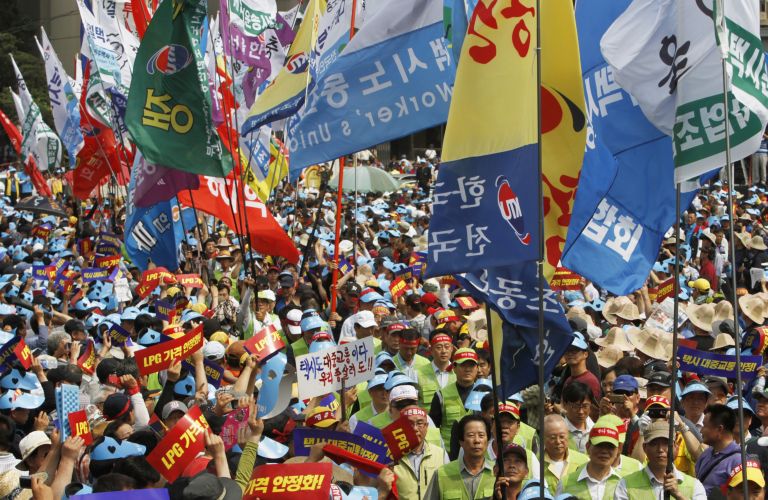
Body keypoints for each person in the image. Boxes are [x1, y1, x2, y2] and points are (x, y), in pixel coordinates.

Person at [615, 421, 706, 500]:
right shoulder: (625, 484)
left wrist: (678, 495)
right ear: (645, 447)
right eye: (654, 444)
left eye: (666, 444)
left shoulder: (694, 485)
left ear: (676, 447)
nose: (660, 449)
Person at [424, 415, 495, 500]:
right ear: (461, 441)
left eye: (481, 435)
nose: (477, 440)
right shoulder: (441, 474)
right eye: (471, 435)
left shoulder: (497, 472)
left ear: (488, 441)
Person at [556, 419, 622, 499]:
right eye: (599, 445)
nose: (604, 451)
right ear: (587, 447)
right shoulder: (565, 483)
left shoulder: (623, 484)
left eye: (610, 446)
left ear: (617, 450)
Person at [430, 348, 479, 452]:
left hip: (477, 452)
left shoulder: (484, 394)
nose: (468, 369)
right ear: (454, 368)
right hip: (448, 454)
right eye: (463, 365)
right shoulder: (441, 395)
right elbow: (433, 429)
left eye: (471, 365)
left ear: (477, 368)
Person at [394, 405, 447, 499]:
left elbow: (448, 488)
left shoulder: (440, 454)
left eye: (419, 423)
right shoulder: (391, 456)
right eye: (409, 424)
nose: (415, 428)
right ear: (400, 427)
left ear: (426, 426)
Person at [695, 404, 742, 496]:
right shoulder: (706, 454)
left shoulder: (739, 461)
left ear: (719, 429)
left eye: (705, 426)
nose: (701, 431)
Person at [541, 414, 588, 495]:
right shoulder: (536, 462)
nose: (558, 441)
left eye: (562, 436)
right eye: (552, 437)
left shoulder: (584, 461)